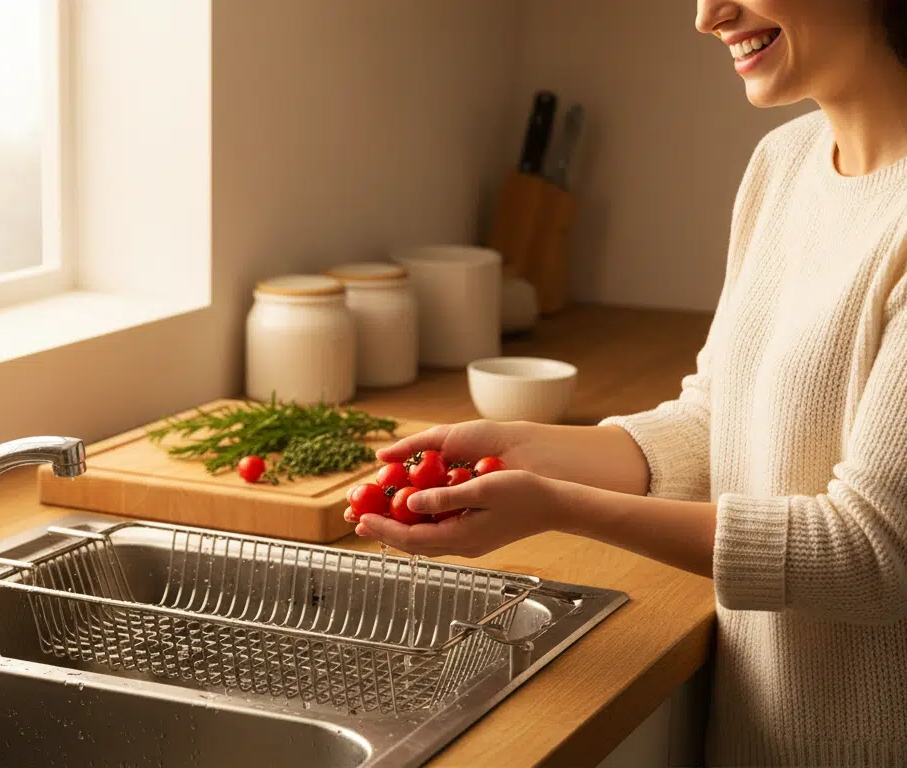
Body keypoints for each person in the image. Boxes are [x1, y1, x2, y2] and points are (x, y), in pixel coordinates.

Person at [346, 1, 907, 765]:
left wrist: (558, 507)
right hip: (758, 734)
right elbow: (719, 418)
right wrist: (528, 451)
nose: (708, 15)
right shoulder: (785, 163)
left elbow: (871, 555)